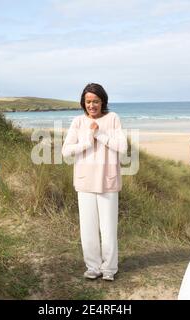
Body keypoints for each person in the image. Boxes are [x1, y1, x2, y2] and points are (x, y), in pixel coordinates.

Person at [62, 83, 127, 281]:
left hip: (108, 182)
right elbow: (66, 151)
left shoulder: (113, 118)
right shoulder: (78, 122)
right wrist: (86, 143)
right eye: (88, 101)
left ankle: (109, 268)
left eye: (96, 101)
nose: (92, 105)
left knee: (108, 229)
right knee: (88, 229)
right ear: (84, 102)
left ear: (102, 102)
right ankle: (93, 267)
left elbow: (122, 148)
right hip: (84, 183)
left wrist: (99, 134)